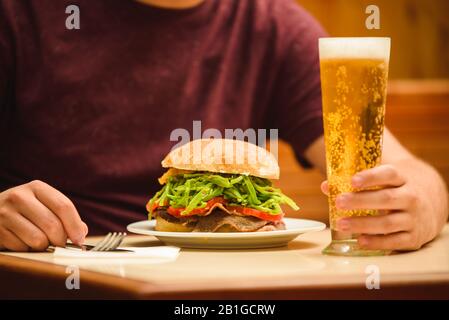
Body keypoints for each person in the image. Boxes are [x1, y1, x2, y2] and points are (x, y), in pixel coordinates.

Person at [0, 0, 447, 252]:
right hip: (63, 275)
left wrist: (422, 204)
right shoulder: (21, 16)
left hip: (226, 290)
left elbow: (408, 172)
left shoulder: (273, 26)